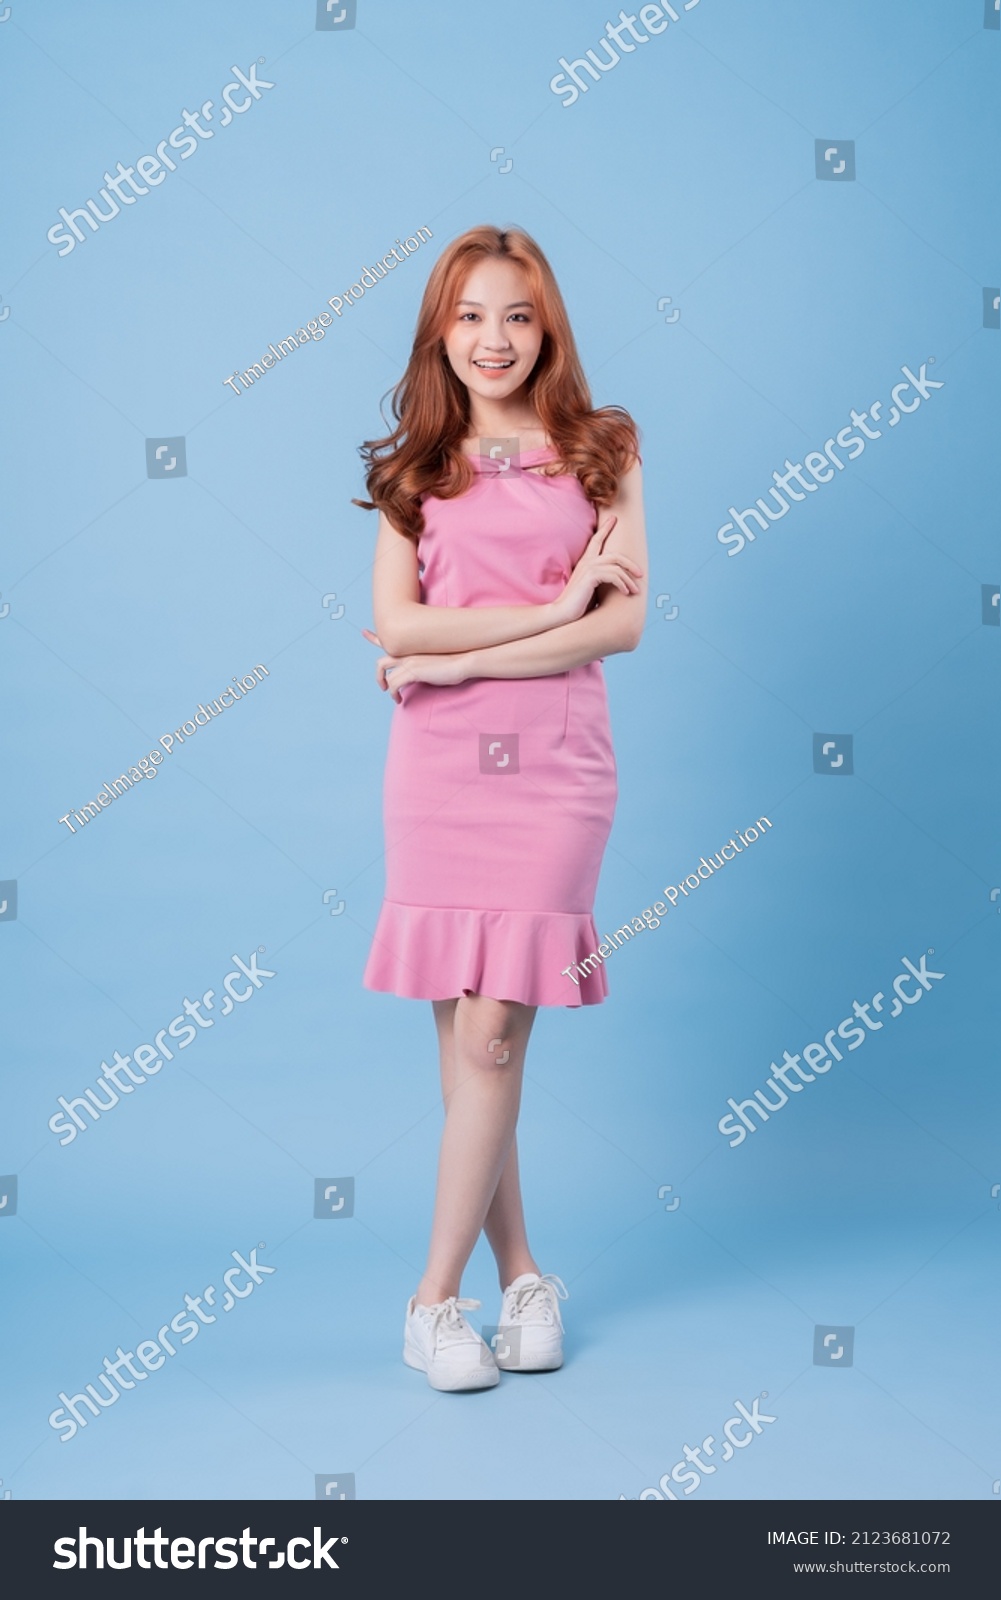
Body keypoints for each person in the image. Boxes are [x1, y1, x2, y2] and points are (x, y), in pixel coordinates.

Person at [356, 224, 647, 1391]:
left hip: (556, 770)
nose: (493, 338)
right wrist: (552, 608)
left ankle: (429, 1301)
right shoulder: (412, 467)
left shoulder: (603, 447)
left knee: (492, 1035)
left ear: (547, 329)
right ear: (439, 330)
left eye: (517, 316)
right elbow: (400, 624)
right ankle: (520, 1274)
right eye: (470, 315)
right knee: (469, 1052)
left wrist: (458, 659)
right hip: (436, 776)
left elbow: (622, 625)